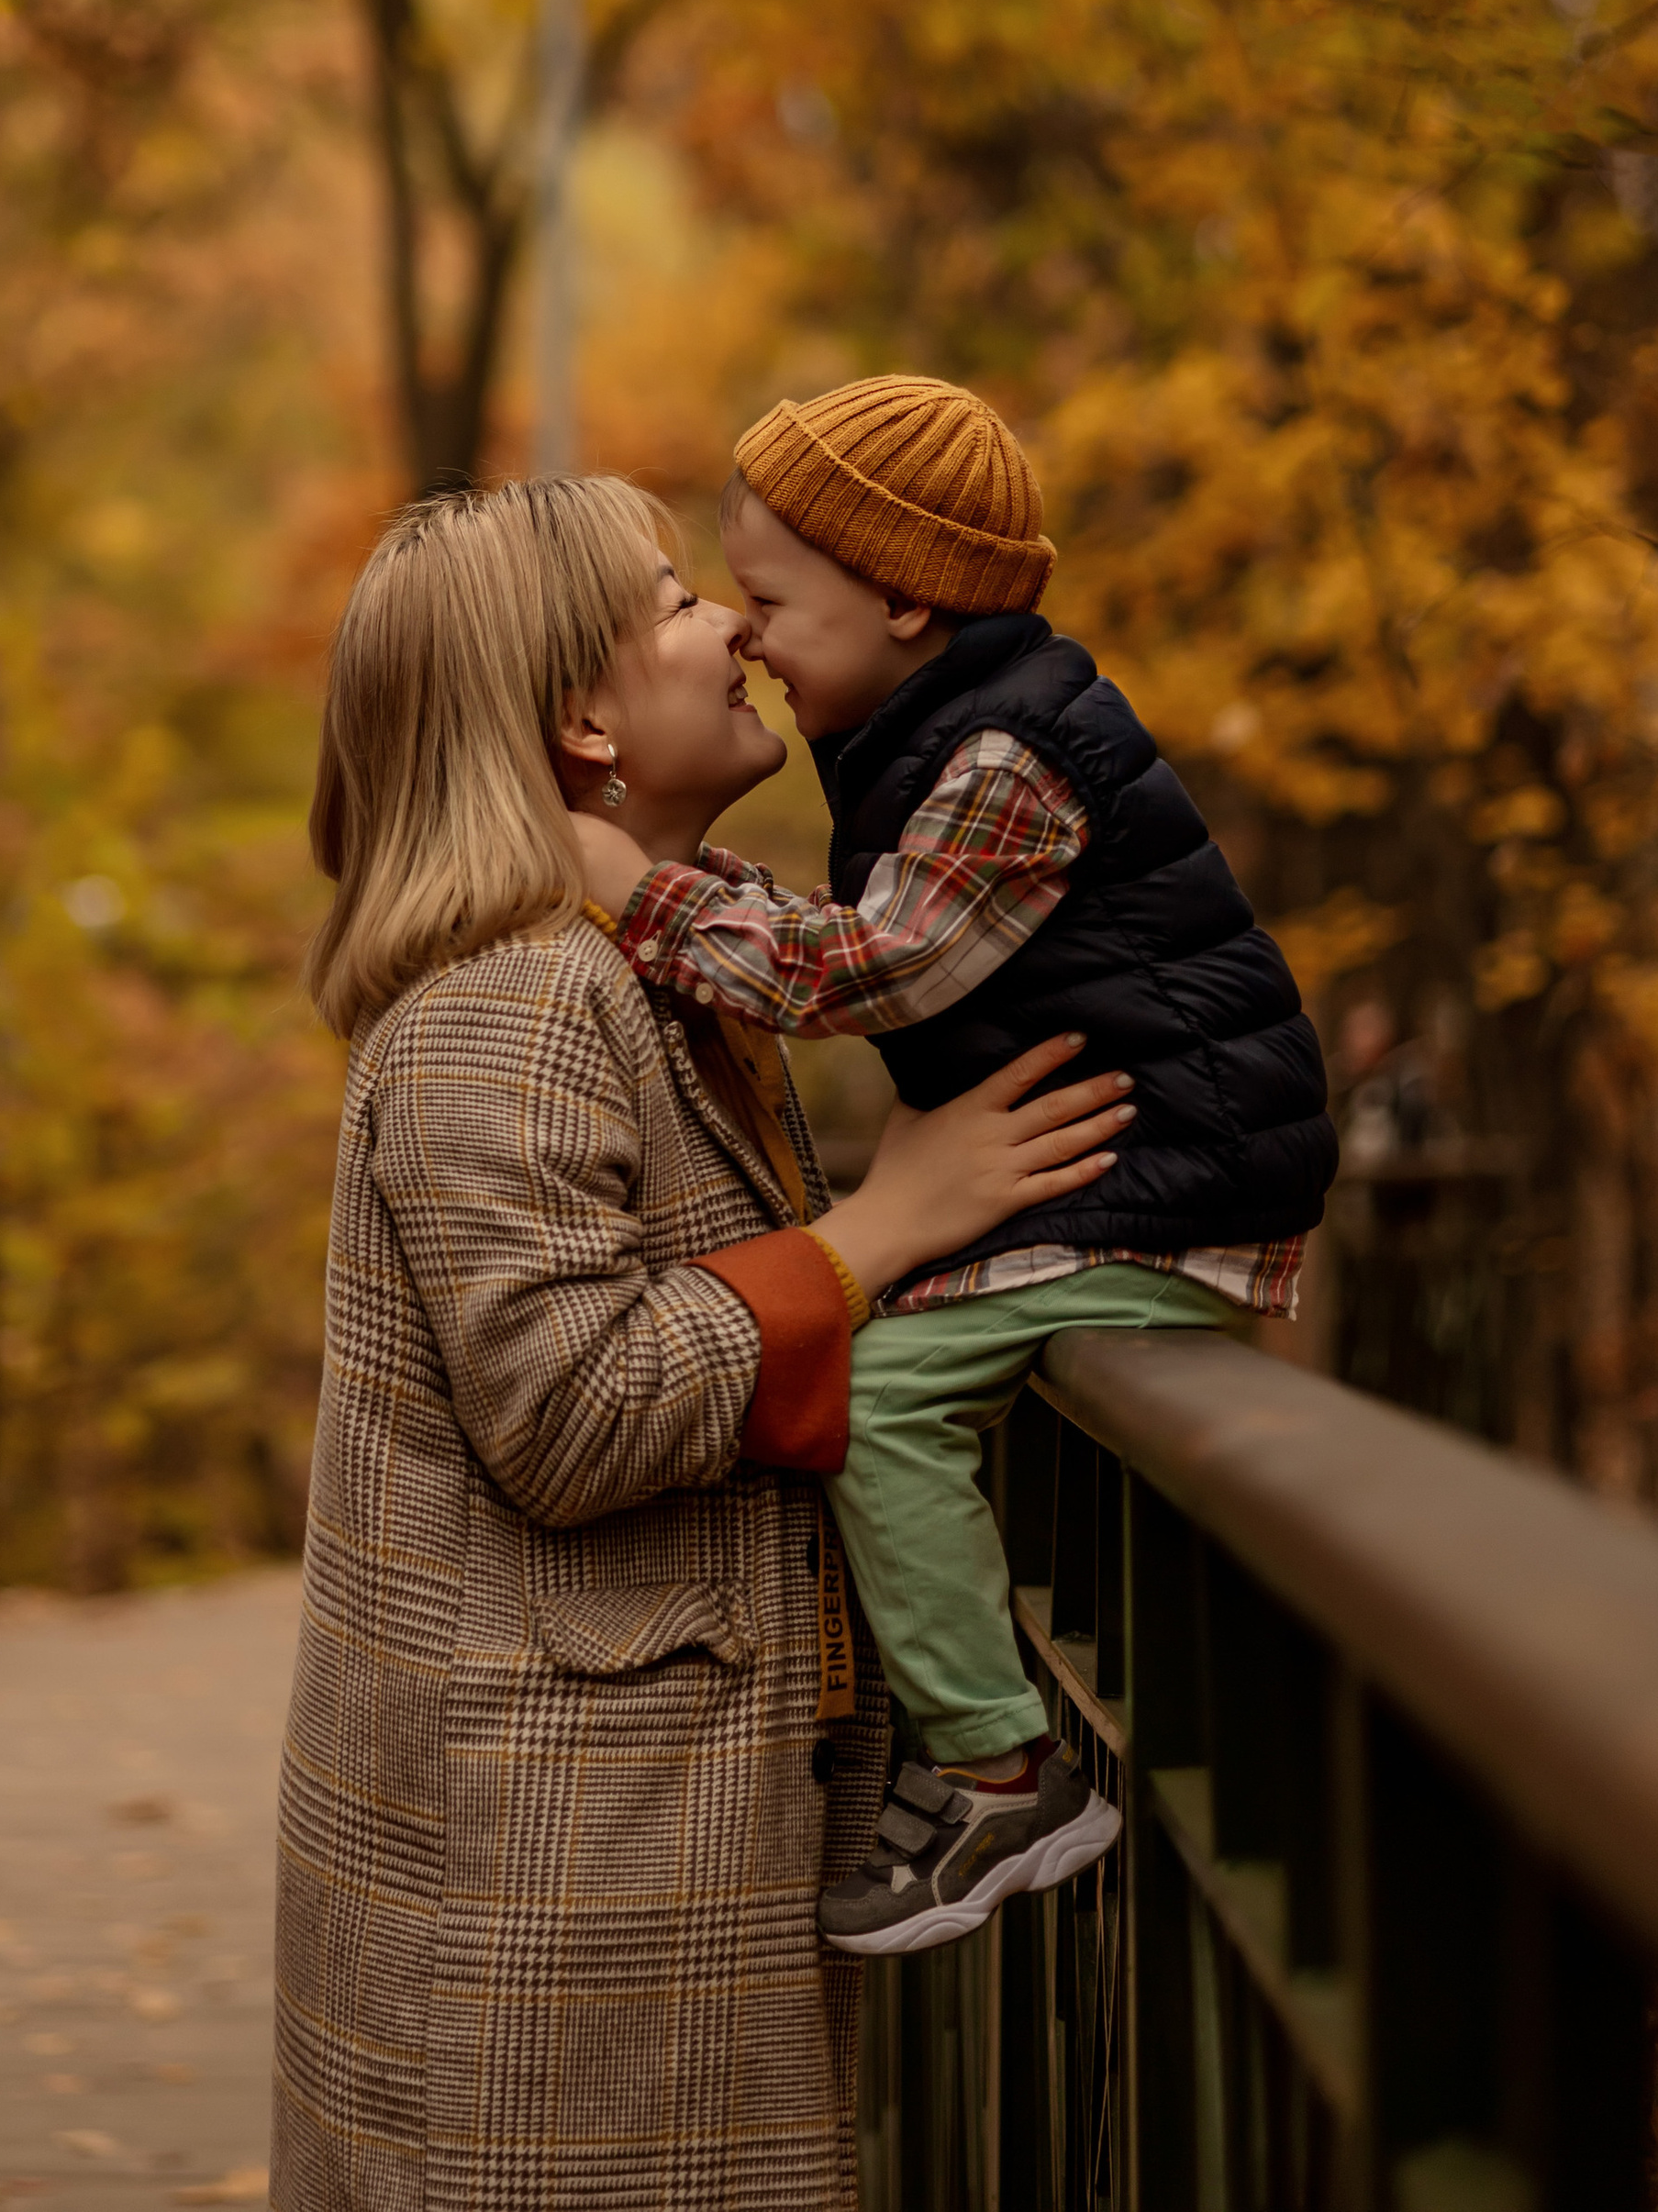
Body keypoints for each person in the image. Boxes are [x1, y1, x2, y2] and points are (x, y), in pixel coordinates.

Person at [275, 474, 1132, 2212]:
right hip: (543, 1883)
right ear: (582, 725)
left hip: (627, 1851)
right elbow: (569, 1410)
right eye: (674, 604)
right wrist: (877, 1233)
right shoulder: (511, 1006)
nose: (733, 622)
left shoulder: (649, 970)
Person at [568, 374, 1337, 1961]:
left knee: (882, 1398)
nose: (749, 632)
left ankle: (1001, 1772)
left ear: (906, 601)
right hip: (1120, 1177)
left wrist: (643, 895)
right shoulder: (941, 728)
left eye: (773, 599)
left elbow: (872, 972)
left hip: (1163, 1183)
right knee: (891, 1352)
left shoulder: (1008, 756)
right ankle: (982, 1747)